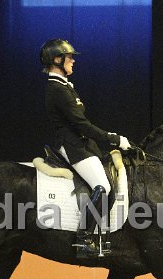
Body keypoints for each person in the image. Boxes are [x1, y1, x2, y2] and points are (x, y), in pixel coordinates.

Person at [40, 38, 131, 258]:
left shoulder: (64, 86)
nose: (73, 61)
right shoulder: (57, 89)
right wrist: (113, 139)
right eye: (69, 57)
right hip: (72, 145)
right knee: (102, 186)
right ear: (57, 59)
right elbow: (82, 125)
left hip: (80, 143)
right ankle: (84, 238)